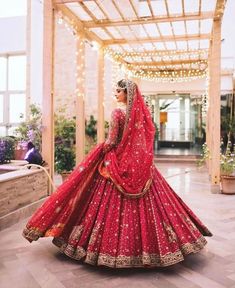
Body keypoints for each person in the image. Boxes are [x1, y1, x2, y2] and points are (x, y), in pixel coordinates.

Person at [23, 79, 212, 268]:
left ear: (127, 94)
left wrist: (100, 150)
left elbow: (112, 141)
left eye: (119, 91)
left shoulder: (117, 113)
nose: (116, 94)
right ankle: (163, 247)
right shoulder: (141, 115)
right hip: (140, 165)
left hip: (116, 163)